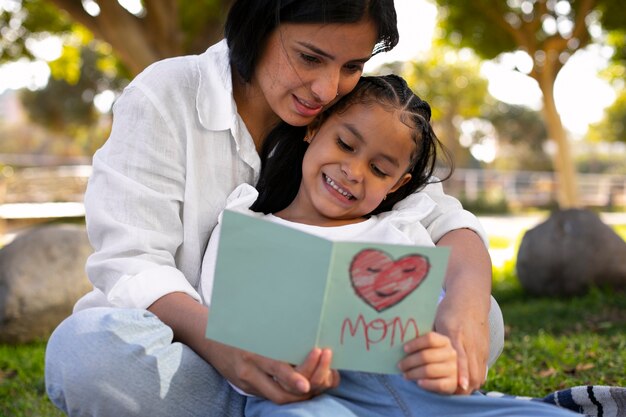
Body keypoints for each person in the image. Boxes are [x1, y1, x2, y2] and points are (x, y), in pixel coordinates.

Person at [44, 1, 502, 416]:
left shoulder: (347, 109)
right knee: (86, 352)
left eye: (352, 65)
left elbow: (443, 220)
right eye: (309, 58)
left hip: (335, 365)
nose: (326, 88)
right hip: (198, 362)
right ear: (260, 25)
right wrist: (226, 344)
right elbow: (132, 263)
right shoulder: (167, 95)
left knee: (481, 312)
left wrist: (466, 308)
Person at [200, 75, 577, 417]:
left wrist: (443, 358)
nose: (354, 171)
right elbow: (225, 333)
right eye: (345, 144)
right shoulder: (247, 226)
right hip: (300, 398)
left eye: (380, 170)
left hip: (412, 388)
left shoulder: (401, 231)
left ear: (397, 185)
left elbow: (440, 323)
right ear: (314, 127)